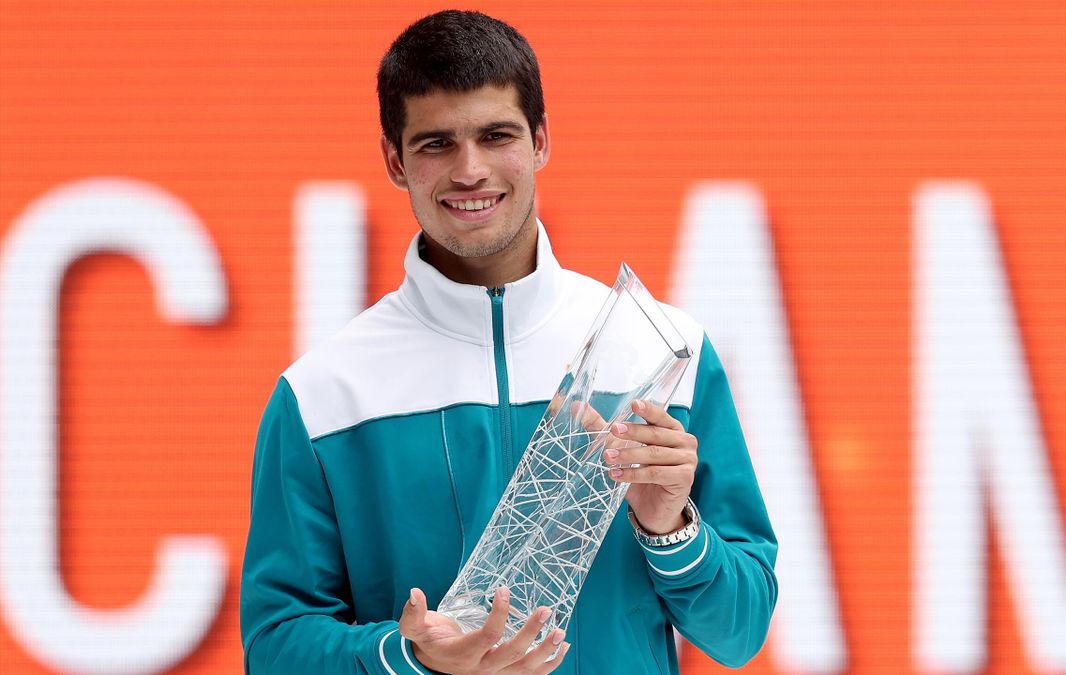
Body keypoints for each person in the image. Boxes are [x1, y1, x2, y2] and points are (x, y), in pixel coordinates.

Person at [240, 10, 777, 674]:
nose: (470, 171)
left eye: (496, 135)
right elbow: (275, 647)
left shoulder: (663, 354)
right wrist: (407, 658)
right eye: (436, 143)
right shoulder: (323, 395)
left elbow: (741, 629)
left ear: (542, 140)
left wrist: (671, 527)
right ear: (393, 160)